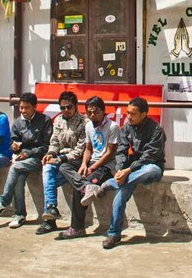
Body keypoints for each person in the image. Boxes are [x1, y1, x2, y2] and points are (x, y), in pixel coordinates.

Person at [84, 97, 165, 249]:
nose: (128, 116)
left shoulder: (156, 130)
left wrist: (128, 170)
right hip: (131, 170)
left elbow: (150, 156)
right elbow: (121, 151)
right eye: (127, 113)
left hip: (150, 168)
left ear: (143, 114)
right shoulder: (127, 127)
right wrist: (120, 170)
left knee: (149, 169)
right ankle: (114, 234)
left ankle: (110, 183)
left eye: (133, 114)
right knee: (121, 191)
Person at [56, 96, 119, 240]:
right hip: (90, 163)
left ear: (103, 111)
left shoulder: (113, 127)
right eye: (89, 112)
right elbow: (88, 149)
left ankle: (77, 228)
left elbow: (110, 153)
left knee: (78, 190)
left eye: (95, 112)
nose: (92, 115)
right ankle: (86, 186)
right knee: (64, 166)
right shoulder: (89, 125)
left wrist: (92, 168)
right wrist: (84, 164)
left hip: (105, 167)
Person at [0, 93, 51, 228]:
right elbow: (14, 142)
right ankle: (20, 215)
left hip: (38, 159)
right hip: (21, 160)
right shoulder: (18, 122)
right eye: (21, 108)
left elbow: (46, 147)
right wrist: (14, 148)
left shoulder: (45, 120)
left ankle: (3, 202)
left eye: (26, 108)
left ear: (34, 107)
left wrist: (28, 153)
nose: (23, 111)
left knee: (15, 168)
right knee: (19, 177)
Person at [36, 91, 86, 235]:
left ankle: (49, 221)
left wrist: (60, 159)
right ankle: (51, 208)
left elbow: (80, 149)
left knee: (48, 181)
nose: (65, 111)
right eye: (62, 108)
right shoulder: (58, 120)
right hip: (59, 159)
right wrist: (50, 154)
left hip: (75, 162)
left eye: (68, 107)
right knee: (47, 168)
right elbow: (54, 142)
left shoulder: (84, 122)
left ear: (75, 106)